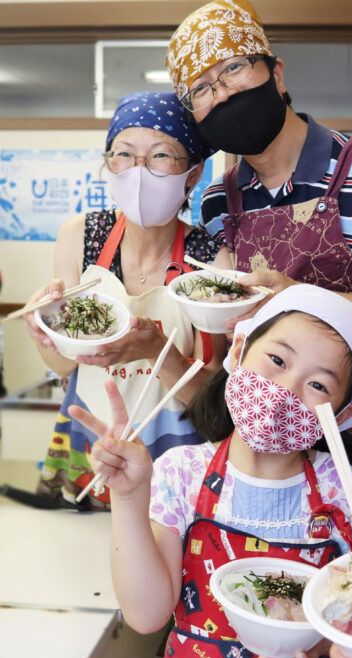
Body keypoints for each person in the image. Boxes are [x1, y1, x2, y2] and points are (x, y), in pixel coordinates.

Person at [165, 0, 352, 540]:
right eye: (201, 89)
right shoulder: (219, 202)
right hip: (260, 451)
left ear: (275, 72)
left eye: (231, 69)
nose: (221, 93)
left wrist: (302, 299)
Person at [73, 284, 352, 658]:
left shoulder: (346, 490)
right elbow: (146, 615)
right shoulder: (182, 473)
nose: (284, 392)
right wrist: (128, 498)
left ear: (339, 414)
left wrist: (328, 645)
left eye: (318, 385)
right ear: (238, 353)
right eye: (277, 359)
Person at [24, 92, 229, 508]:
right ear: (108, 163)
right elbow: (66, 366)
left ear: (192, 173)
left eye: (160, 156)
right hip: (91, 435)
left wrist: (156, 349)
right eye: (124, 154)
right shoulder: (80, 236)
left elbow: (213, 406)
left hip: (174, 452)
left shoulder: (212, 260)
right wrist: (46, 334)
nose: (138, 172)